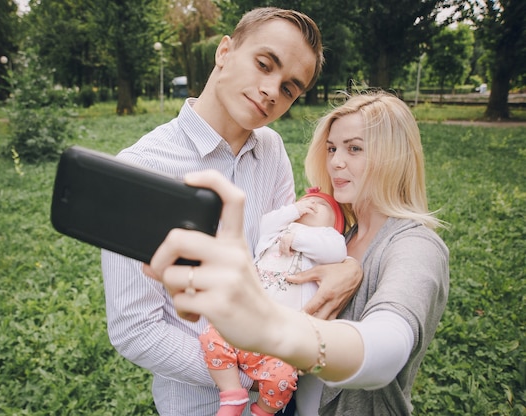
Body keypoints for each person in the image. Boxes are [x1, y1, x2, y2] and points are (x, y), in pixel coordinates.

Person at [101, 7, 363, 415]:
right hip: (201, 404)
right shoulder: (141, 169)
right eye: (264, 64)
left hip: (281, 396)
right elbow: (136, 330)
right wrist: (257, 367)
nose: (272, 91)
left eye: (290, 88)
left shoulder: (271, 148)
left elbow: (280, 257)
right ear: (225, 51)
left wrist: (349, 266)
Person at [144, 91, 450, 415]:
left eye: (355, 148)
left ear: (395, 156)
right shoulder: (339, 233)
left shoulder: (416, 246)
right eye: (332, 148)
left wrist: (272, 328)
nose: (336, 161)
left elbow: (389, 347)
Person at [200, 188, 347, 416]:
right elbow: (267, 223)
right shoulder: (274, 234)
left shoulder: (327, 242)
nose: (311, 204)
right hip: (246, 323)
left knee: (284, 376)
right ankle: (232, 395)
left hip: (280, 342)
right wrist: (292, 212)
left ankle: (265, 411)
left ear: (335, 224)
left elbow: (336, 251)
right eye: (305, 201)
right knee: (213, 336)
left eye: (322, 205)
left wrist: (298, 238)